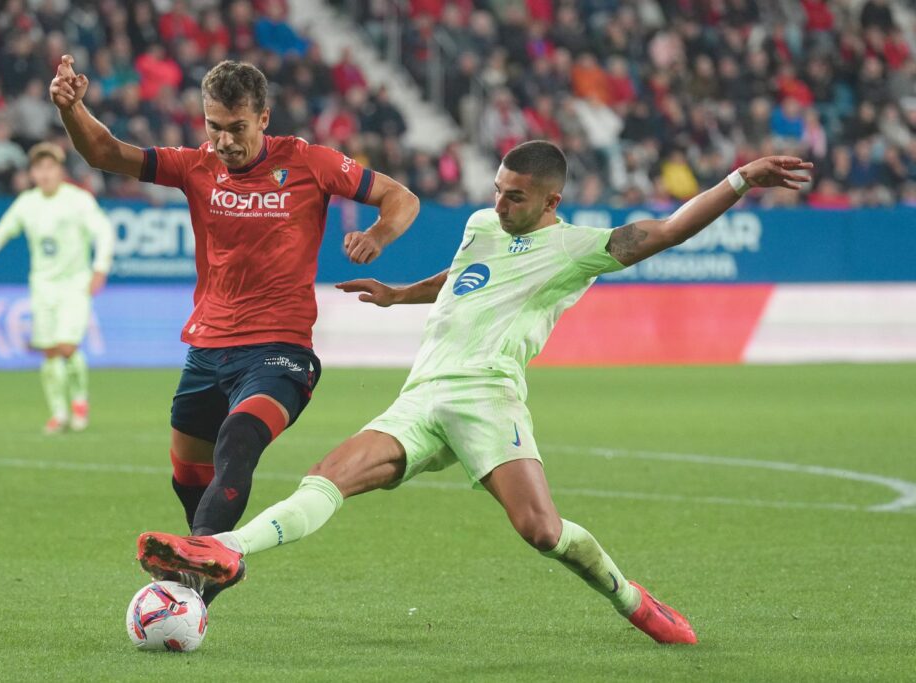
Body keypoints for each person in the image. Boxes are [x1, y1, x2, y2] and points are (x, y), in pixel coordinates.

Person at [136, 141, 812, 644]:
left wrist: (740, 179)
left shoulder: (579, 248)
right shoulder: (482, 227)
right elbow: (465, 275)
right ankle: (225, 551)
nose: (499, 202)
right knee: (327, 476)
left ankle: (633, 598)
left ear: (550, 201)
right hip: (423, 392)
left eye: (515, 196)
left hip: (488, 398)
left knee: (541, 531)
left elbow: (665, 230)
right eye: (497, 189)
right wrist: (401, 294)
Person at [49, 56, 419, 603]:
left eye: (236, 128)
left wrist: (379, 235)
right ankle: (210, 564)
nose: (223, 141)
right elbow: (104, 152)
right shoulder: (194, 165)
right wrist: (72, 108)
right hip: (207, 349)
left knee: (238, 439)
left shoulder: (311, 162)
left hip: (280, 350)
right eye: (213, 126)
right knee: (187, 476)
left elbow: (400, 197)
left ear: (263, 119)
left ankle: (198, 568)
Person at [0, 142, 114, 434]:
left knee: (67, 346)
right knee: (50, 351)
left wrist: (100, 267)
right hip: (42, 285)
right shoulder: (28, 203)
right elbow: (0, 233)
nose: (44, 174)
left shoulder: (78, 200)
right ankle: (58, 413)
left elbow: (103, 231)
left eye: (50, 167)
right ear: (32, 172)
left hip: (74, 284)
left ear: (60, 170)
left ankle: (79, 400)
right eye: (38, 168)